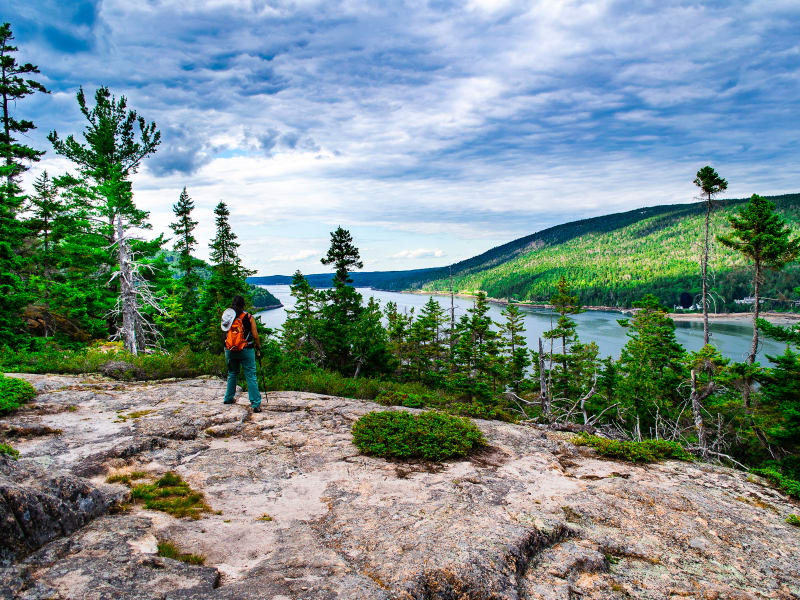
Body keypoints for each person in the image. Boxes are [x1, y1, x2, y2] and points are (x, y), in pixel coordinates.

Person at [220, 295, 262, 412]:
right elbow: (255, 336)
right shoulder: (248, 317)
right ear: (243, 304)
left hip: (230, 349)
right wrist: (257, 346)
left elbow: (224, 332)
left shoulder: (227, 317)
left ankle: (228, 398)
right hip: (246, 349)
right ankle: (255, 404)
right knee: (251, 375)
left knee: (232, 373)